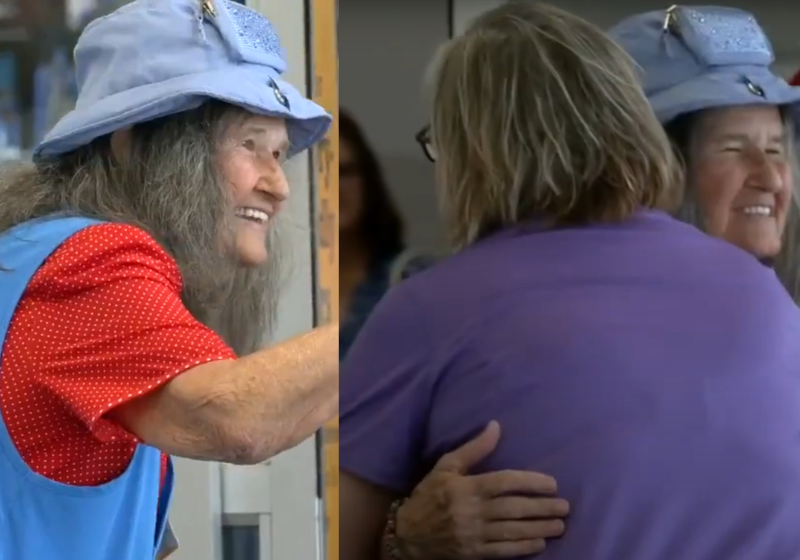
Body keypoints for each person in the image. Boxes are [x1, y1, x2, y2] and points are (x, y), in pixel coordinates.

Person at [339, 3, 800, 560]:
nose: (772, 178)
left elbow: (315, 534)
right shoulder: (767, 300)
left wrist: (403, 539)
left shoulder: (432, 310)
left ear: (475, 153)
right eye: (732, 147)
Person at [0, 1, 338, 559]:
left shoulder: (36, 255)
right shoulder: (90, 259)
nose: (278, 185)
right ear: (133, 143)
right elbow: (235, 418)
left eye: (279, 153)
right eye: (248, 144)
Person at [340, 109, 435, 357]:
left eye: (344, 172)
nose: (332, 189)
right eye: (320, 174)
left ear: (367, 180)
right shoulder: (282, 286)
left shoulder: (411, 278)